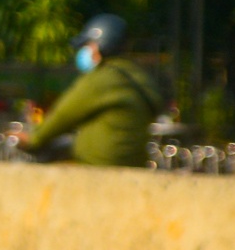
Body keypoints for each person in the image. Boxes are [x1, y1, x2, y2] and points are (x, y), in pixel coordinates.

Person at [20, 13, 162, 167]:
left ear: (101, 45)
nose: (85, 51)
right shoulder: (134, 75)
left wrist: (34, 138)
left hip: (97, 165)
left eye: (89, 45)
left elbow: (64, 114)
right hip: (134, 164)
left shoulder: (103, 78)